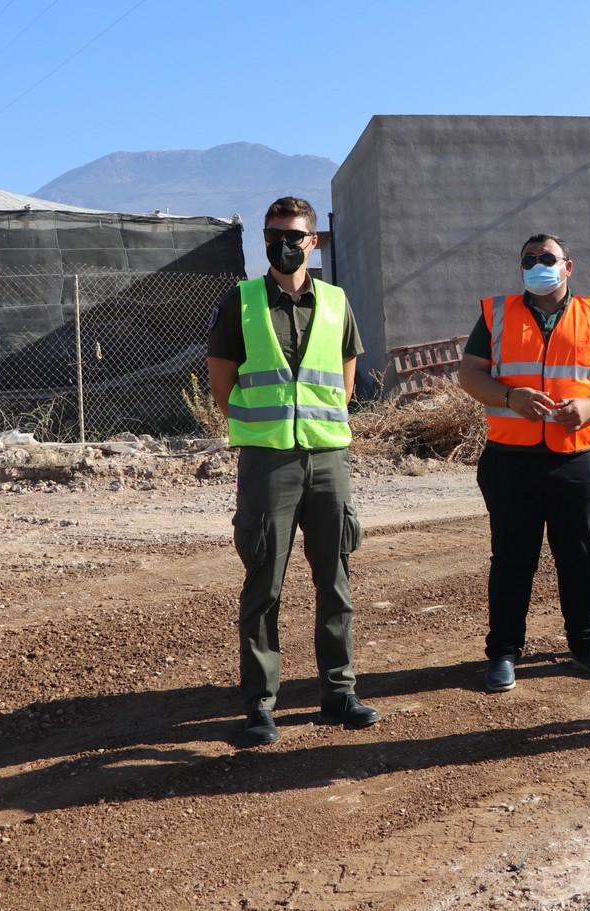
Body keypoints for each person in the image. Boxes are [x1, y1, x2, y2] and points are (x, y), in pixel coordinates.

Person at [207, 196, 379, 746]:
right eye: (273, 233)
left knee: (335, 578)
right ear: (264, 240)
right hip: (267, 461)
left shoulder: (335, 302)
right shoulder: (239, 302)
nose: (283, 243)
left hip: (328, 458)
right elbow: (221, 387)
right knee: (263, 582)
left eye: (294, 234)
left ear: (313, 242)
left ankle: (339, 692)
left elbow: (346, 386)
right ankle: (259, 704)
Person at [458, 232, 590, 692]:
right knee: (512, 559)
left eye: (548, 258)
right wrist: (509, 396)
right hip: (510, 460)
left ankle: (586, 645)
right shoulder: (497, 314)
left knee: (578, 557)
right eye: (530, 259)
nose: (539, 264)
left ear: (568, 266)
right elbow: (469, 373)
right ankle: (502, 653)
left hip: (576, 459)